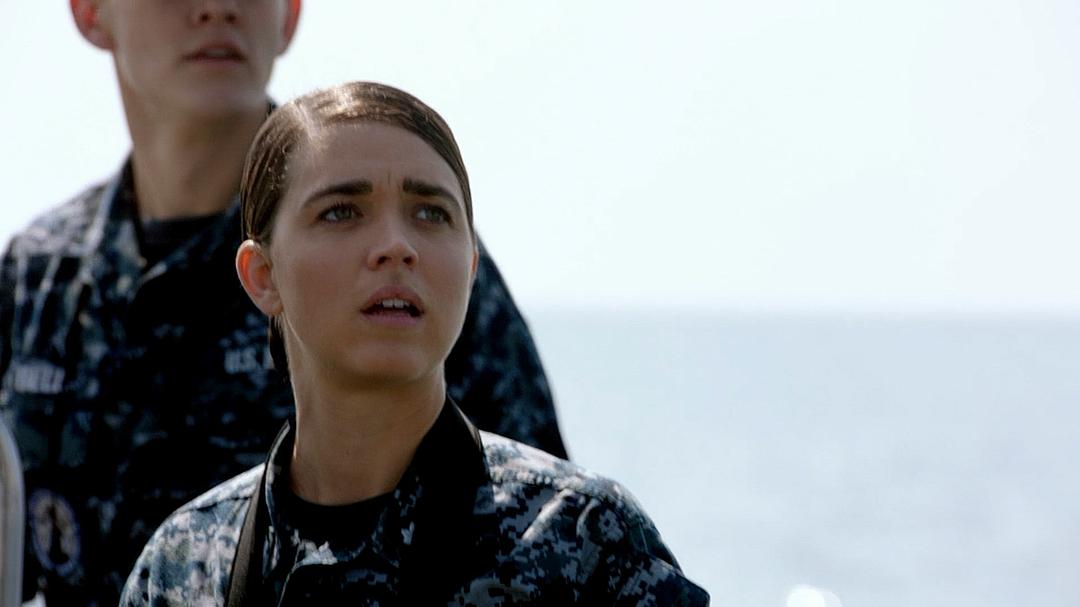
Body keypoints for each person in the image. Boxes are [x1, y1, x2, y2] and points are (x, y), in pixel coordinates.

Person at [0, 1, 566, 604]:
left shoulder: (411, 270)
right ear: (92, 13)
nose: (217, 8)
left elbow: (532, 530)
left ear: (289, 16)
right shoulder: (38, 276)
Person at [118, 80, 708, 606]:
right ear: (262, 276)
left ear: (470, 268)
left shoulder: (581, 542)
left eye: (430, 213)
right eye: (342, 212)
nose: (396, 246)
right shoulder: (185, 567)